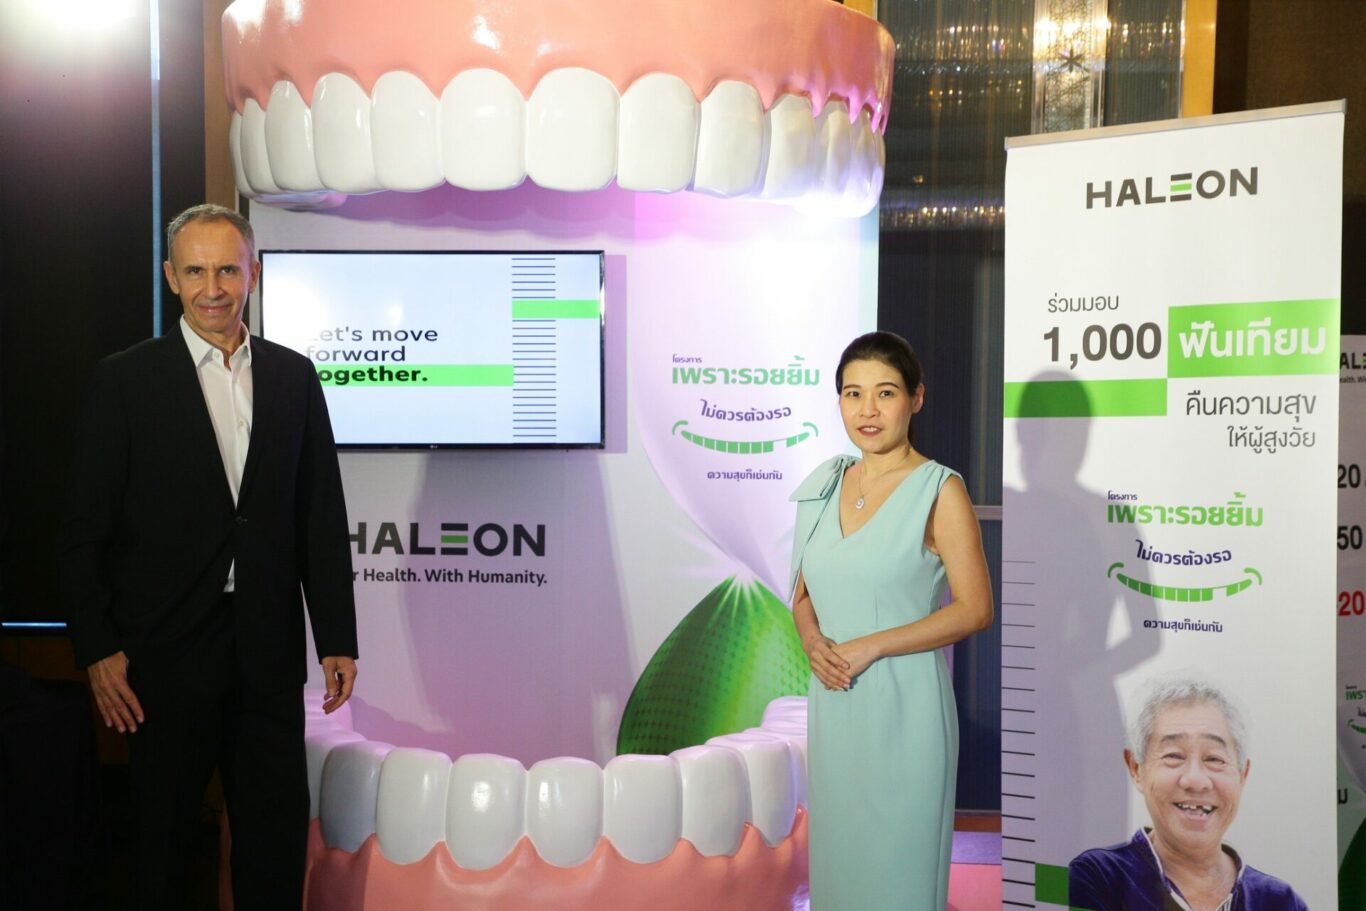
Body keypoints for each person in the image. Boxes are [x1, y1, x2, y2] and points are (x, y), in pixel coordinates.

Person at [58, 204, 359, 909]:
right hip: (161, 658)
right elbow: (82, 530)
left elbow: (320, 516)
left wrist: (337, 637)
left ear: (253, 274)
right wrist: (97, 647)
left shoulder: (294, 377)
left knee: (273, 846)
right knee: (160, 852)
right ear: (171, 277)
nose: (213, 288)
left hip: (267, 651)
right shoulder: (125, 381)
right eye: (196, 271)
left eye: (227, 269)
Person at [787, 331, 993, 909]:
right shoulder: (824, 485)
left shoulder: (939, 489)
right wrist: (811, 640)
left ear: (916, 398)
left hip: (908, 709)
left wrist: (871, 645)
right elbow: (801, 593)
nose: (868, 411)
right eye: (853, 394)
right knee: (841, 869)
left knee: (899, 874)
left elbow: (976, 608)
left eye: (885, 393)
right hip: (835, 704)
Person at [1068, 677, 1307, 911]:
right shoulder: (1096, 878)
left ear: (1242, 775)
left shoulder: (1280, 901)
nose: (1195, 780)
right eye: (1173, 756)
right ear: (1136, 768)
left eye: (1214, 759)